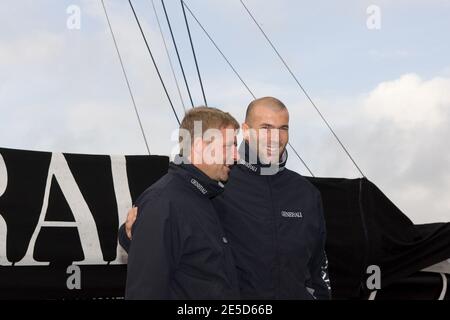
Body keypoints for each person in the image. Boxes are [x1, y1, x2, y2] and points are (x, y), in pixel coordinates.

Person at [122, 97, 331, 299]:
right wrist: (130, 232)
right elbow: (167, 232)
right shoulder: (218, 182)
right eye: (266, 128)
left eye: (283, 129)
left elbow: (318, 267)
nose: (275, 138)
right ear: (247, 131)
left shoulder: (306, 193)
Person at [125, 107, 240, 299]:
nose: (236, 156)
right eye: (228, 146)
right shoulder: (162, 202)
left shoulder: (208, 198)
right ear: (198, 147)